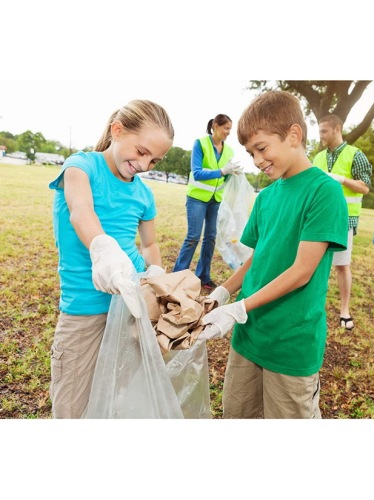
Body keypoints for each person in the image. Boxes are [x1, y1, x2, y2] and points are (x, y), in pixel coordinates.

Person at [197, 90, 348, 418]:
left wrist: (239, 308)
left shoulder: (324, 191)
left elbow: (301, 272)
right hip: (248, 338)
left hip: (290, 344)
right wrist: (223, 294)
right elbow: (256, 259)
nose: (257, 160)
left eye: (261, 148)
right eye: (251, 153)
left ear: (293, 135)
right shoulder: (265, 197)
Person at [49, 99, 174, 418]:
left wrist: (155, 274)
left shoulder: (144, 194)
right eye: (142, 152)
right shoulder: (81, 166)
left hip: (131, 310)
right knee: (73, 405)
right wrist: (103, 250)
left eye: (155, 160)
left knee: (120, 401)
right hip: (86, 311)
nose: (146, 165)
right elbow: (81, 211)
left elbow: (149, 245)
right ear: (117, 131)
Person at [313, 114, 372, 331]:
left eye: (324, 132)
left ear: (337, 129)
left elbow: (365, 187)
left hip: (344, 220)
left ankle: (344, 310)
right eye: (319, 132)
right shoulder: (318, 157)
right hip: (319, 218)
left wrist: (340, 179)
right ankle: (314, 305)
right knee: (315, 264)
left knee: (341, 265)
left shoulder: (356, 155)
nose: (320, 137)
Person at [173, 114, 243, 290]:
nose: (228, 132)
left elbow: (223, 177)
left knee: (210, 238)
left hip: (215, 200)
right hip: (197, 197)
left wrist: (232, 174)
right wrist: (221, 171)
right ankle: (177, 277)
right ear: (215, 126)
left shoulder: (229, 151)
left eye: (230, 129)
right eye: (226, 128)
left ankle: (203, 276)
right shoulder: (201, 144)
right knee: (193, 237)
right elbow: (196, 172)